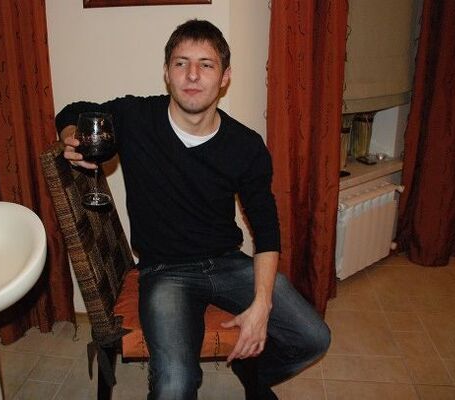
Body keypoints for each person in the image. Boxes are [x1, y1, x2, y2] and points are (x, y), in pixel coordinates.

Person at [57, 19, 330, 400]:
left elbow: (267, 230)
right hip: (165, 271)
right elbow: (72, 111)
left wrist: (261, 305)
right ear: (167, 73)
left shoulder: (246, 145)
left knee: (313, 338)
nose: (192, 75)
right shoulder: (135, 118)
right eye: (181, 63)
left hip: (227, 263)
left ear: (225, 77)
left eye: (206, 64)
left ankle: (252, 373)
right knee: (174, 385)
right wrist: (71, 134)